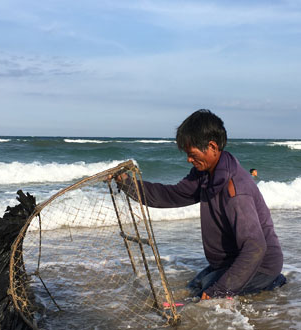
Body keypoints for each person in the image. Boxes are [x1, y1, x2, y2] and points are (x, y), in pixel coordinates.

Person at [118, 109, 285, 299]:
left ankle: (272, 282)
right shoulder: (205, 175)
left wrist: (218, 291)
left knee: (206, 294)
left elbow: (255, 248)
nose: (189, 160)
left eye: (192, 154)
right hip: (229, 262)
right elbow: (170, 196)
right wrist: (127, 184)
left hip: (261, 265)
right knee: (194, 286)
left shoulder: (236, 190)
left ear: (212, 147)